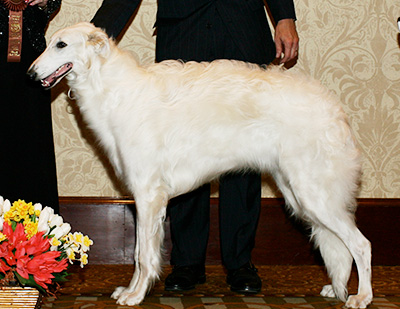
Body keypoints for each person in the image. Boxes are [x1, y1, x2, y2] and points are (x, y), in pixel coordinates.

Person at [91, 0, 298, 294]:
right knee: (180, 150)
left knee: (246, 148)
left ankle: (240, 263)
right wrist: (92, 34)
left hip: (243, 31)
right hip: (183, 32)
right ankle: (187, 262)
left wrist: (284, 16)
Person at [0, 0, 61, 211]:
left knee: (32, 139)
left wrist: (46, 1)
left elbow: (53, 3)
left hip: (32, 55)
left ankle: (38, 233)